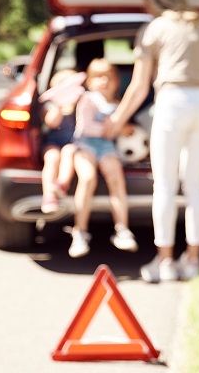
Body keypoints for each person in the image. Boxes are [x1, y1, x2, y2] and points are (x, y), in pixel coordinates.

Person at [104, 0, 199, 283]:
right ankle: (193, 261)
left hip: (175, 101)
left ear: (155, 1)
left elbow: (140, 85)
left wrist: (117, 119)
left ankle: (165, 262)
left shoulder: (154, 28)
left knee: (166, 184)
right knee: (195, 184)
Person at [64, 58, 138, 258]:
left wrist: (124, 129)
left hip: (107, 147)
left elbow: (125, 127)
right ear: (89, 82)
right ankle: (80, 231)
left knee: (116, 177)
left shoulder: (118, 103)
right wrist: (114, 129)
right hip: (84, 145)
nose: (104, 81)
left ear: (117, 82)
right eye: (98, 77)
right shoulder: (88, 99)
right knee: (87, 178)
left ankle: (122, 229)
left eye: (109, 77)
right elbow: (86, 127)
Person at [39, 69, 82, 214]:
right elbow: (51, 123)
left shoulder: (81, 104)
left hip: (73, 143)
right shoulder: (50, 105)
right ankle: (49, 196)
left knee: (68, 152)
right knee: (52, 158)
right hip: (53, 142)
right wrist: (60, 104)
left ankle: (62, 184)